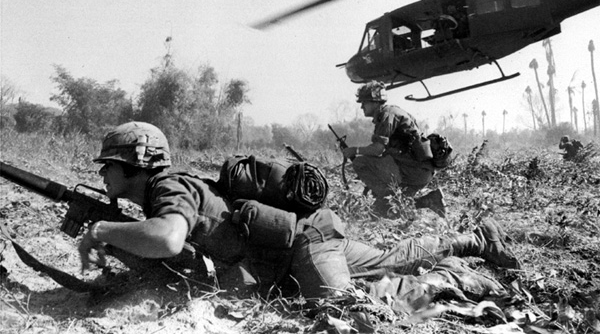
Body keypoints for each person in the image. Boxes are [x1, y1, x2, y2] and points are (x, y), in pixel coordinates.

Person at [78, 121, 519, 302]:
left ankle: (457, 279)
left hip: (303, 245)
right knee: (387, 259)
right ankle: (474, 240)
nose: (103, 175)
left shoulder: (167, 187)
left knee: (347, 305)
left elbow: (168, 238)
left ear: (131, 164)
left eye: (108, 166)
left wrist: (101, 229)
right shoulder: (170, 189)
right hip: (305, 236)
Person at [342, 81, 444, 218]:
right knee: (386, 209)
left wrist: (354, 150)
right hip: (420, 172)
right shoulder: (392, 112)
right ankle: (431, 199)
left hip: (412, 170)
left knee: (360, 162)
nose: (361, 107)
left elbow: (377, 149)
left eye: (364, 102)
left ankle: (384, 197)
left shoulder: (387, 115)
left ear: (375, 101)